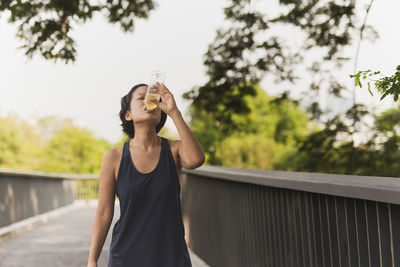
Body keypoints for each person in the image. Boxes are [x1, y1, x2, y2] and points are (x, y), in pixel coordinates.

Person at [87, 82, 205, 267]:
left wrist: (174, 112)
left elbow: (196, 159)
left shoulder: (174, 150)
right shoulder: (114, 157)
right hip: (125, 257)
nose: (149, 102)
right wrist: (92, 259)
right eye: (141, 98)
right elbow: (103, 212)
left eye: (154, 99)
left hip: (171, 257)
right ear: (128, 115)